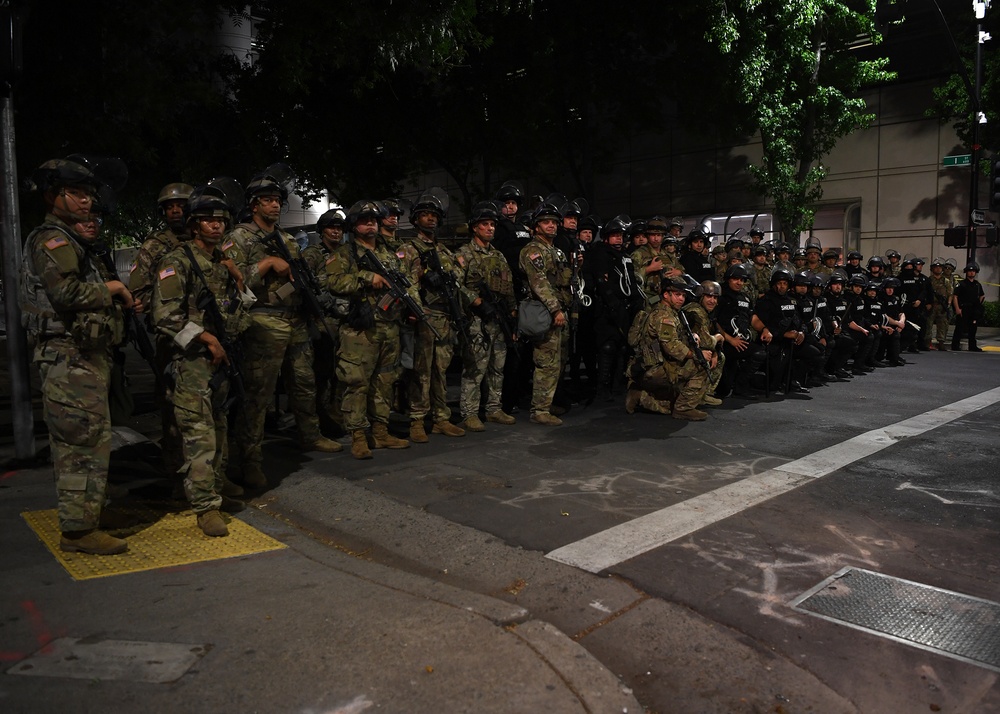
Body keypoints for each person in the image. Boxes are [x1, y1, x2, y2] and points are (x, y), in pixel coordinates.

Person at [21, 155, 132, 554]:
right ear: (54, 195)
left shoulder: (70, 239)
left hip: (80, 355)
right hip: (66, 356)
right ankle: (78, 531)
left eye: (89, 194)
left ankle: (89, 513)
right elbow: (64, 294)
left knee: (93, 437)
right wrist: (113, 290)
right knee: (78, 443)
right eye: (77, 193)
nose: (87, 202)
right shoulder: (51, 239)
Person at [223, 166, 341, 490]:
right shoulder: (239, 237)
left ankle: (310, 435)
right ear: (254, 205)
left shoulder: (287, 239)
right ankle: (250, 460)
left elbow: (297, 281)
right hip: (262, 320)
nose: (274, 205)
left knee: (304, 383)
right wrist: (266, 264)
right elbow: (230, 282)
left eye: (277, 200)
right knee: (258, 396)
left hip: (293, 319)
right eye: (267, 200)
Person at [152, 187, 252, 537]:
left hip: (220, 359)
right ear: (194, 225)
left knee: (220, 429)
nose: (215, 225)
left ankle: (216, 491)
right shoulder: (177, 261)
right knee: (199, 434)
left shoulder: (219, 263)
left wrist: (238, 280)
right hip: (193, 360)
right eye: (208, 220)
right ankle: (205, 508)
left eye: (220, 220)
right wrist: (206, 338)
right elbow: (165, 317)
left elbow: (233, 309)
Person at [325, 200, 415, 459]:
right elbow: (333, 282)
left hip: (389, 327)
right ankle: (358, 435)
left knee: (385, 382)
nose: (371, 225)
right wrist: (366, 278)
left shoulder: (390, 252)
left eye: (374, 221)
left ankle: (381, 431)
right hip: (360, 330)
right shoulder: (344, 253)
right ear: (354, 226)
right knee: (356, 384)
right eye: (365, 221)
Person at [127, 182, 197, 493]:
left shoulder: (203, 239)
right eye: (170, 207)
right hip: (171, 332)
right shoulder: (155, 246)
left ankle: (204, 466)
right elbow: (138, 290)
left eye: (181, 205)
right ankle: (173, 466)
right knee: (171, 400)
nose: (176, 210)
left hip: (205, 328)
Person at [398, 190, 475, 441]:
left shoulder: (445, 251)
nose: (430, 219)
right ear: (416, 219)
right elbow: (407, 284)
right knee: (421, 371)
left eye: (434, 215)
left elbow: (455, 285)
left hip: (445, 317)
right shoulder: (409, 249)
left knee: (440, 370)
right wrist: (418, 311)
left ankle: (441, 418)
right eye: (425, 215)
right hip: (425, 316)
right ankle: (417, 421)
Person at [455, 201, 517, 430]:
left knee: (497, 366)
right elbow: (456, 285)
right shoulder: (464, 254)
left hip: (498, 319)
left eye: (492, 224)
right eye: (485, 225)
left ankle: (493, 408)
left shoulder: (499, 256)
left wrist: (512, 311)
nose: (490, 228)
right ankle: (469, 412)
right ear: (474, 228)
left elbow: (508, 285)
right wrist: (476, 301)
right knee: (475, 367)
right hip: (477, 320)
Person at [624, 277, 711, 420]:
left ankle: (640, 395)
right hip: (653, 369)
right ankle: (683, 409)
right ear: (666, 295)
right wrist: (697, 354)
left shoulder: (667, 311)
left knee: (670, 403)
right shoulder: (664, 316)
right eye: (677, 294)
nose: (681, 298)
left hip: (649, 366)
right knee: (701, 365)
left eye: (683, 295)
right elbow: (672, 347)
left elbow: (674, 338)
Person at [519, 200, 572, 425]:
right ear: (536, 226)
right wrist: (556, 309)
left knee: (558, 361)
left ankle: (546, 403)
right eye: (546, 222)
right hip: (544, 311)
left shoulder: (556, 251)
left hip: (559, 309)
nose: (551, 225)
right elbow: (538, 282)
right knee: (546, 362)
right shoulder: (533, 250)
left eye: (554, 222)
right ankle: (539, 410)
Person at [303, 207, 349, 434]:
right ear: (322, 230)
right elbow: (304, 285)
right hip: (323, 321)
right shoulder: (312, 254)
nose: (336, 232)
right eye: (331, 227)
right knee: (322, 372)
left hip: (345, 320)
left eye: (339, 228)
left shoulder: (346, 253)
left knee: (343, 371)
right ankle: (320, 416)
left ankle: (337, 412)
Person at [587, 215, 641, 399]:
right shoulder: (601, 254)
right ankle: (602, 387)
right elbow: (602, 281)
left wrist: (636, 302)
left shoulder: (626, 257)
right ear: (606, 237)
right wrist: (612, 303)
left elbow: (631, 282)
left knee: (623, 348)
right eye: (614, 235)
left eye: (620, 235)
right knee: (607, 347)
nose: (618, 238)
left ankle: (617, 385)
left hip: (625, 307)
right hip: (607, 309)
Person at [715, 263, 766, 398]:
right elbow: (713, 321)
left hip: (741, 341)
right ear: (728, 279)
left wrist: (765, 329)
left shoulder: (745, 297)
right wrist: (730, 340)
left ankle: (740, 387)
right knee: (722, 391)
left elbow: (753, 318)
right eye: (736, 279)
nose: (739, 283)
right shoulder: (719, 295)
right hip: (723, 342)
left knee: (760, 353)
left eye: (742, 280)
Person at [951, 262, 986, 351]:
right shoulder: (961, 284)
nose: (971, 273)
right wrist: (957, 309)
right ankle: (955, 346)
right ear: (966, 272)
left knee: (973, 328)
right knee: (959, 327)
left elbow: (982, 295)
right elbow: (955, 296)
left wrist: (978, 305)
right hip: (963, 308)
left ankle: (972, 346)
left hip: (973, 309)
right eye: (970, 271)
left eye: (973, 271)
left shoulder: (977, 284)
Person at [924, 258, 953, 350]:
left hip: (942, 306)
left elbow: (950, 293)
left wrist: (948, 303)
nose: (938, 269)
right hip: (931, 305)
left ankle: (941, 343)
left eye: (940, 267)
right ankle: (927, 343)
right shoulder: (928, 280)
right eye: (936, 267)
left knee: (943, 325)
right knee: (928, 324)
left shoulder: (946, 281)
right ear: (932, 269)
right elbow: (924, 293)